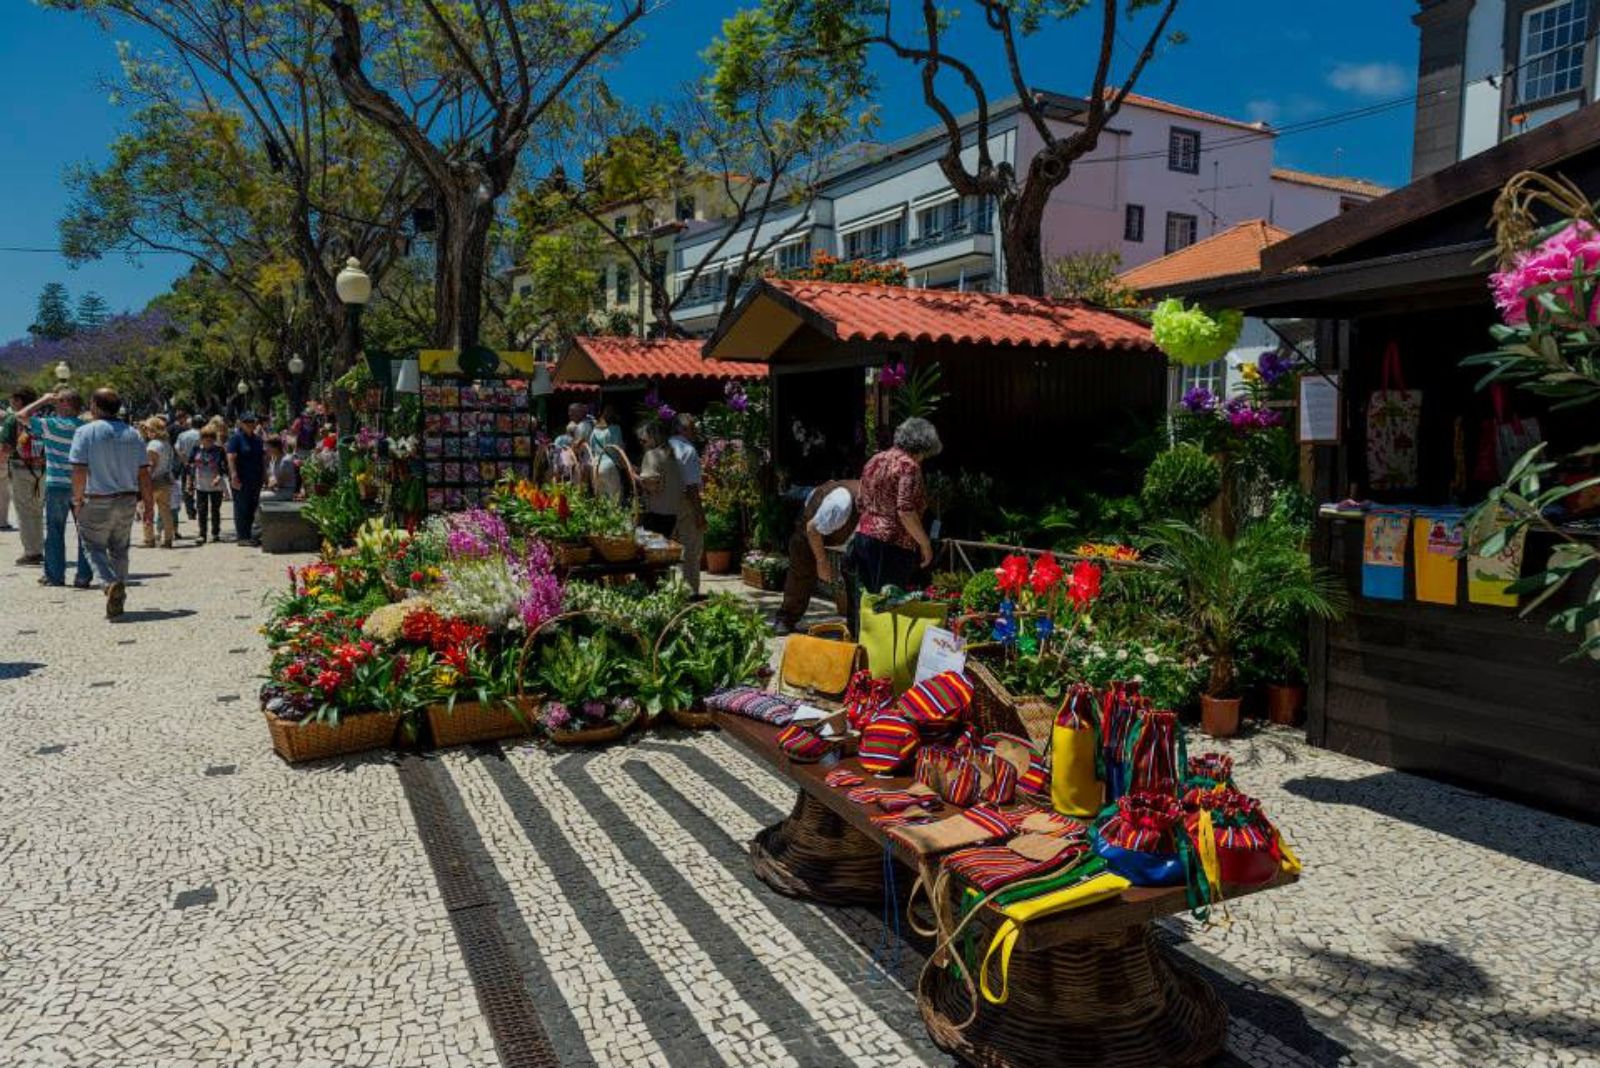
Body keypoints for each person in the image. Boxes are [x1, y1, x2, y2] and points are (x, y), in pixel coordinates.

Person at [69, 388, 152, 619]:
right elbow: (144, 474)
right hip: (127, 498)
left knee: (92, 546)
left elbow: (79, 469)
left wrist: (77, 499)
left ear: (95, 405)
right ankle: (120, 588)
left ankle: (109, 584)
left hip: (97, 498)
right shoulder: (133, 434)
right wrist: (148, 505)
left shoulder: (85, 432)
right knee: (120, 548)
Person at [847, 417, 941, 617]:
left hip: (863, 537)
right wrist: (925, 544)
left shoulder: (875, 459)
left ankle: (863, 644)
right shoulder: (909, 466)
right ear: (922, 446)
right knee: (888, 605)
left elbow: (860, 501)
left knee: (867, 603)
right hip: (891, 544)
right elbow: (905, 510)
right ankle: (885, 647)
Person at [14, 388, 91, 587]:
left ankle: (55, 576)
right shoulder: (85, 427)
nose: (54, 404)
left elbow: (21, 415)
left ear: (67, 404)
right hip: (82, 485)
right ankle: (83, 576)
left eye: (58, 401)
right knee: (85, 532)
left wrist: (43, 399)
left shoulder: (51, 425)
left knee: (55, 531)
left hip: (57, 484)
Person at [775, 478, 860, 635]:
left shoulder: (881, 504)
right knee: (801, 572)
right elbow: (812, 529)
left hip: (836, 529)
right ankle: (785, 618)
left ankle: (856, 627)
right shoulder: (842, 502)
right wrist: (822, 562)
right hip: (812, 521)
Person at [1, 387, 45, 565]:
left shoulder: (14, 419)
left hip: (20, 468)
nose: (11, 402)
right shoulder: (44, 418)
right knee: (37, 510)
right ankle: (38, 547)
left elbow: (5, 448)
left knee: (24, 512)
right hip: (42, 469)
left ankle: (32, 552)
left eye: (12, 399)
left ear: (19, 401)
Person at [668, 412, 706, 595]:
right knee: (690, 551)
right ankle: (691, 593)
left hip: (664, 506)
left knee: (668, 552)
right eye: (692, 427)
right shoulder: (687, 450)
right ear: (683, 429)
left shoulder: (665, 446)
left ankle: (672, 592)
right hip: (685, 504)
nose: (695, 431)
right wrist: (700, 514)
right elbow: (692, 487)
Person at [634, 420, 684, 539]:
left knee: (655, 550)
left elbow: (651, 487)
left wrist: (633, 476)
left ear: (653, 438)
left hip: (657, 512)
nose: (642, 444)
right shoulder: (673, 455)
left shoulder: (651, 455)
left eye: (644, 441)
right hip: (674, 512)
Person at [225, 411, 265, 546]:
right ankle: (242, 536)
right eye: (247, 422)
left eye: (252, 422)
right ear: (241, 424)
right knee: (241, 507)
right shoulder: (235, 439)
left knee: (254, 506)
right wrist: (234, 475)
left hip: (256, 478)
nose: (250, 424)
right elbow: (231, 457)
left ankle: (251, 535)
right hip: (241, 478)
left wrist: (265, 476)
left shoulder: (258, 439)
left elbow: (263, 459)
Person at [139, 416, 177, 549]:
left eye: (148, 429)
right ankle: (168, 539)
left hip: (153, 482)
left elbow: (151, 465)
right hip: (165, 480)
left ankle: (149, 539)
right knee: (165, 511)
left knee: (147, 510)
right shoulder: (167, 444)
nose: (147, 432)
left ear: (153, 430)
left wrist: (143, 482)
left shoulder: (153, 445)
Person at [190, 428, 227, 544]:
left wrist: (219, 477)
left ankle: (215, 533)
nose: (208, 442)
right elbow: (190, 465)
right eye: (205, 439)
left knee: (215, 509)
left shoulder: (219, 450)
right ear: (201, 439)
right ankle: (202, 534)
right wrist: (189, 481)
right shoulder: (196, 449)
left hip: (215, 484)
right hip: (201, 484)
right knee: (201, 510)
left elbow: (224, 466)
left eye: (211, 439)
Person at [590, 404, 625, 503]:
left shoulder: (594, 431)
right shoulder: (616, 429)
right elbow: (619, 449)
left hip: (596, 465)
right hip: (610, 465)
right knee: (615, 499)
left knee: (601, 500)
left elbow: (592, 450)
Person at [173, 411, 200, 522]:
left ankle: (190, 512)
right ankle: (200, 508)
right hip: (201, 465)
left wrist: (184, 460)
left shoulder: (182, 435)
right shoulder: (203, 434)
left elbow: (177, 448)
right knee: (200, 487)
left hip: (186, 464)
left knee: (187, 487)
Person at [267, 435, 300, 500]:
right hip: (277, 490)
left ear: (276, 448)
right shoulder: (274, 459)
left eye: (269, 447)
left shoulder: (286, 460)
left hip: (286, 492)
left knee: (258, 497)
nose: (266, 449)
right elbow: (271, 476)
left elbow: (280, 481)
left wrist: (270, 485)